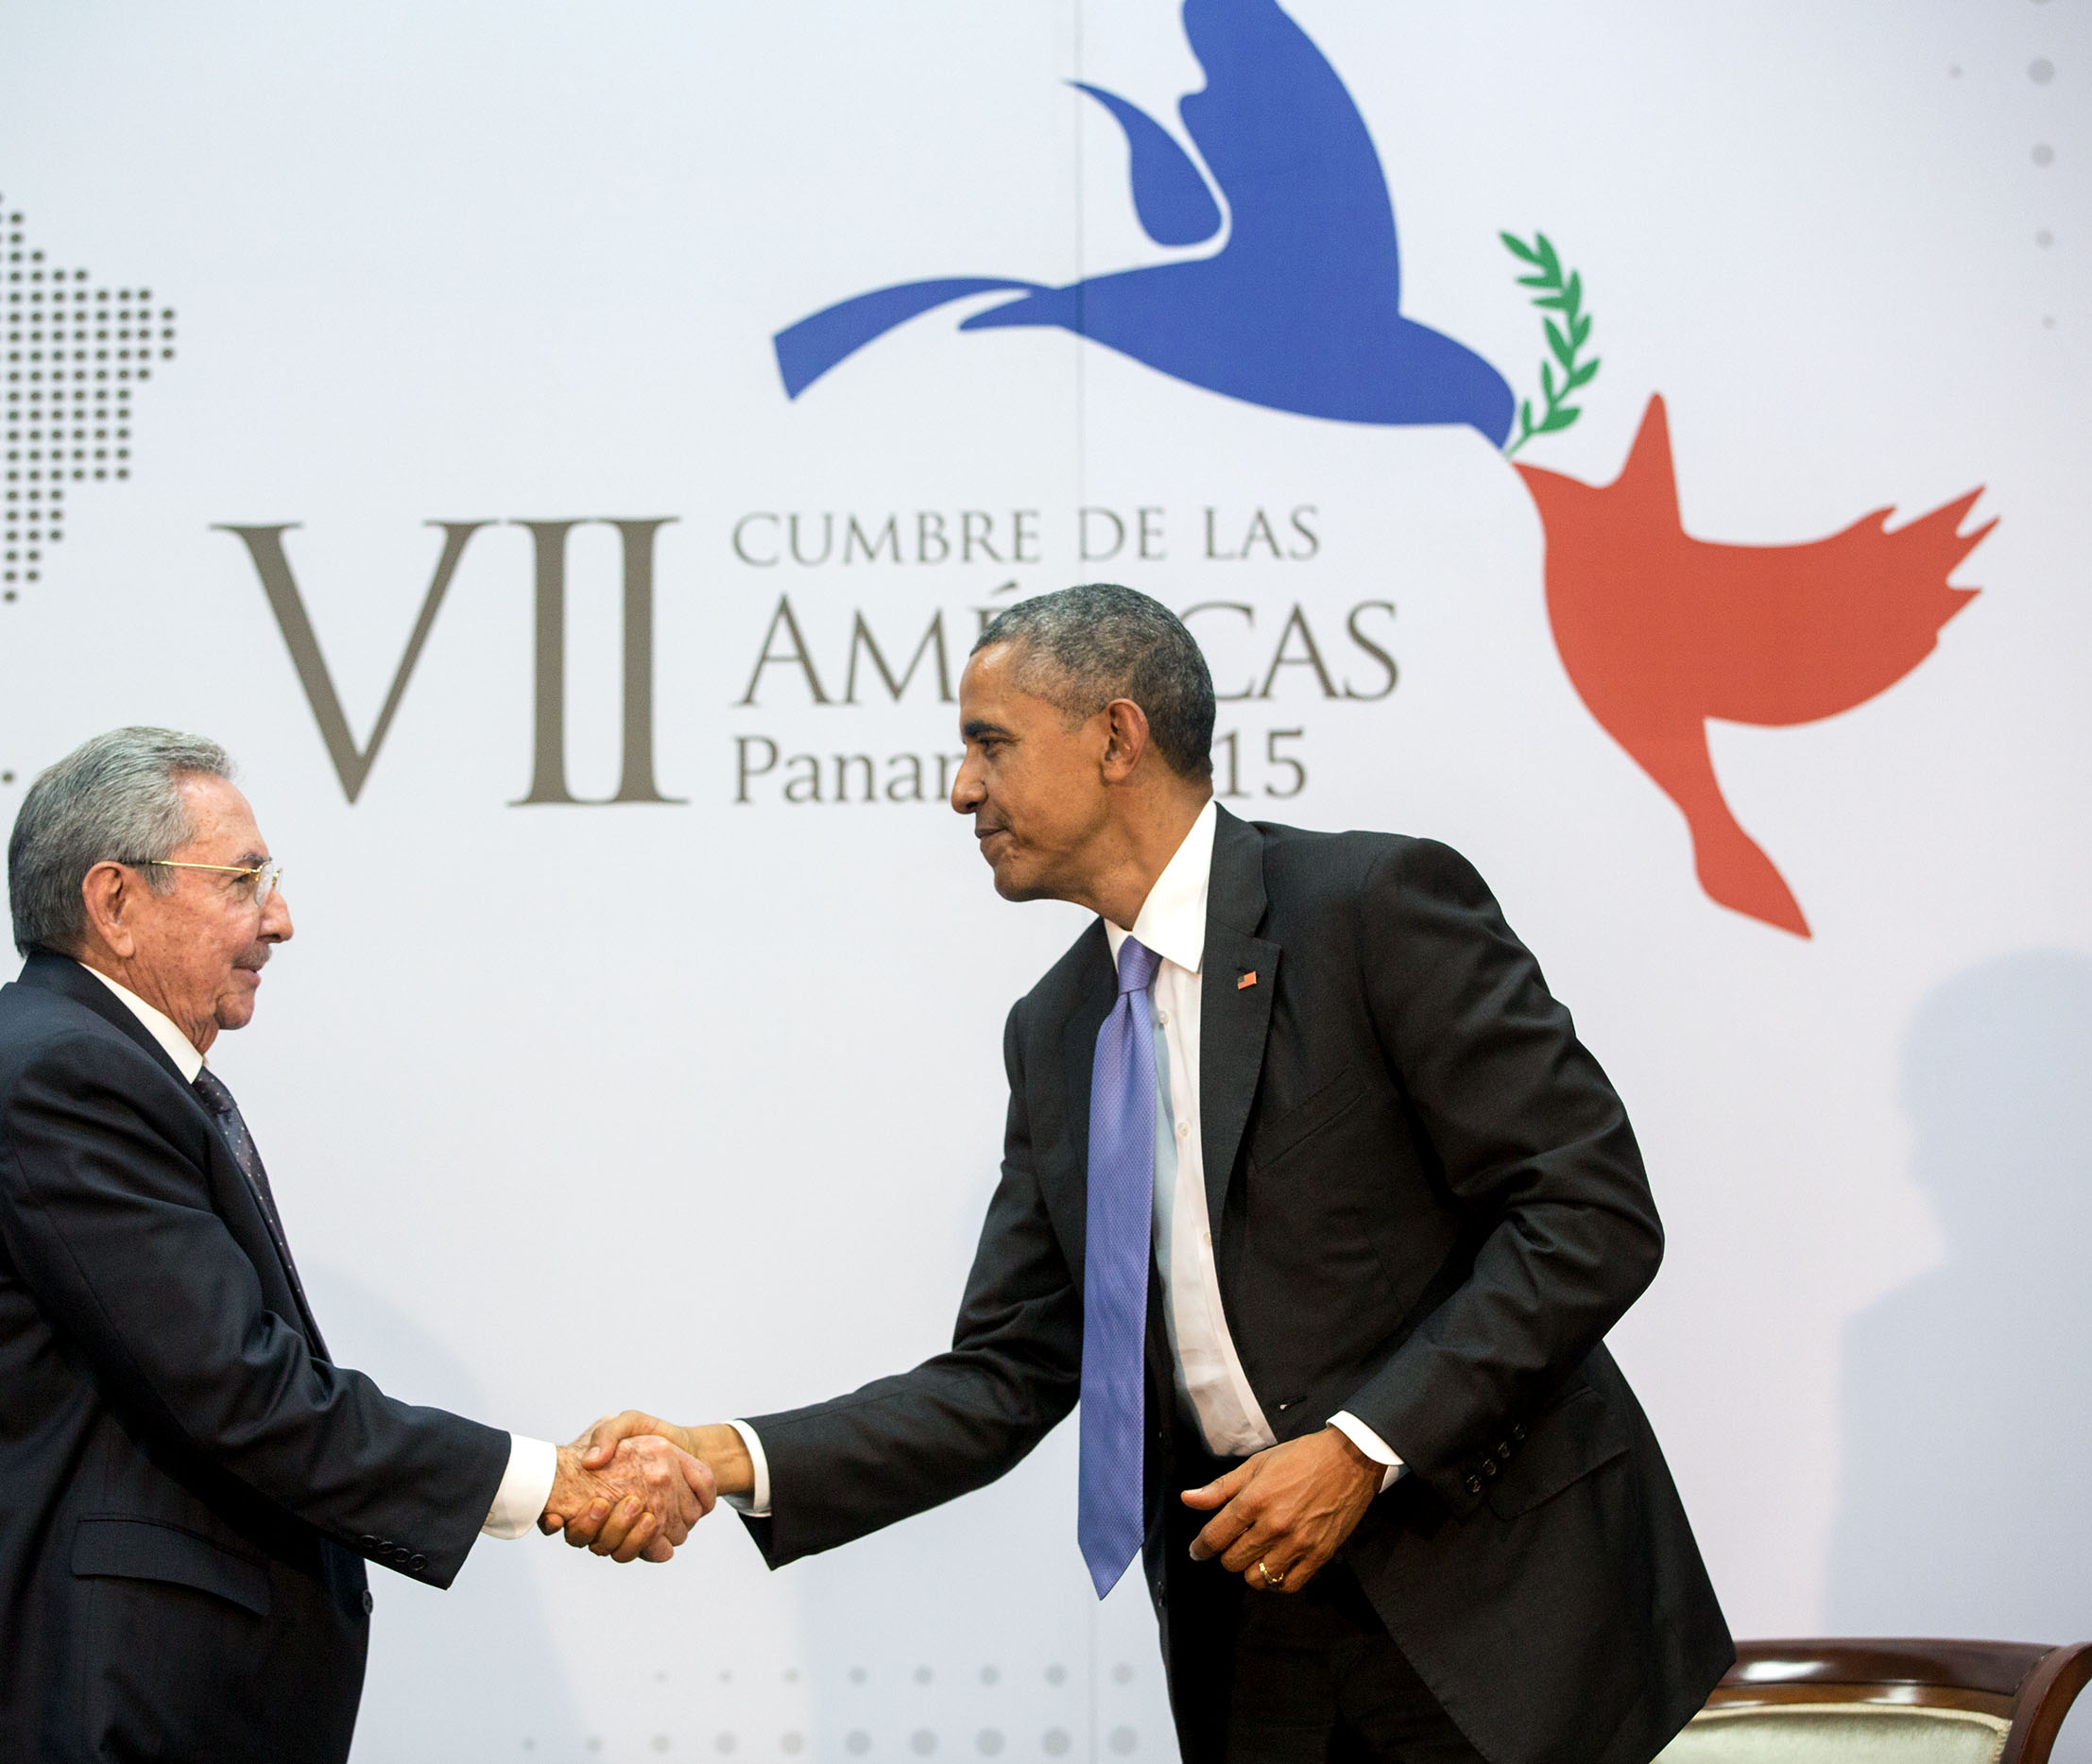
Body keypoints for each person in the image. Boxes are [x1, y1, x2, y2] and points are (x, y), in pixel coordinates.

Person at [578, 587, 1731, 1764]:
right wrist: (725, 1455)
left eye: (990, 743)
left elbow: (1585, 1209)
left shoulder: (1371, 909)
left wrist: (1361, 1444)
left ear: (1117, 738)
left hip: (1496, 1600)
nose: (961, 788)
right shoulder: (1058, 1026)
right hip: (1249, 1628)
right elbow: (1007, 1373)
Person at [0, 728, 708, 1764]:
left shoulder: (89, 1070)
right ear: (115, 902)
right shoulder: (58, 1083)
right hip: (65, 1716)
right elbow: (242, 1393)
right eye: (243, 879)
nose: (280, 920)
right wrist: (549, 1480)